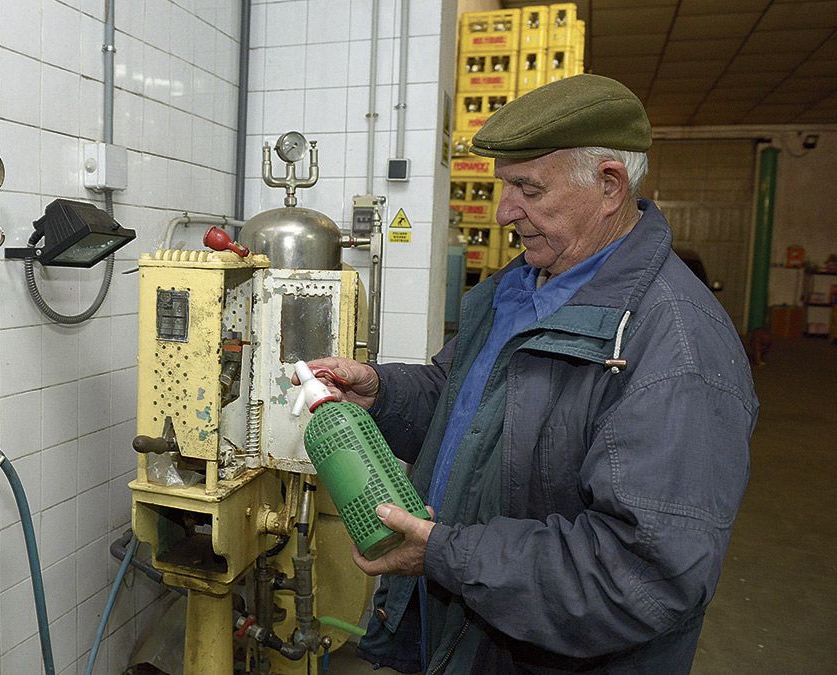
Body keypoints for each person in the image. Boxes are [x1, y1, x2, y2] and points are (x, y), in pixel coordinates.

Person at [300, 75, 758, 673]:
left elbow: (640, 575)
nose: (503, 212)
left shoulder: (677, 347)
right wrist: (382, 393)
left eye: (528, 190)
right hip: (461, 637)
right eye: (504, 187)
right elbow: (464, 401)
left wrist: (447, 555)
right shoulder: (518, 289)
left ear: (610, 185)